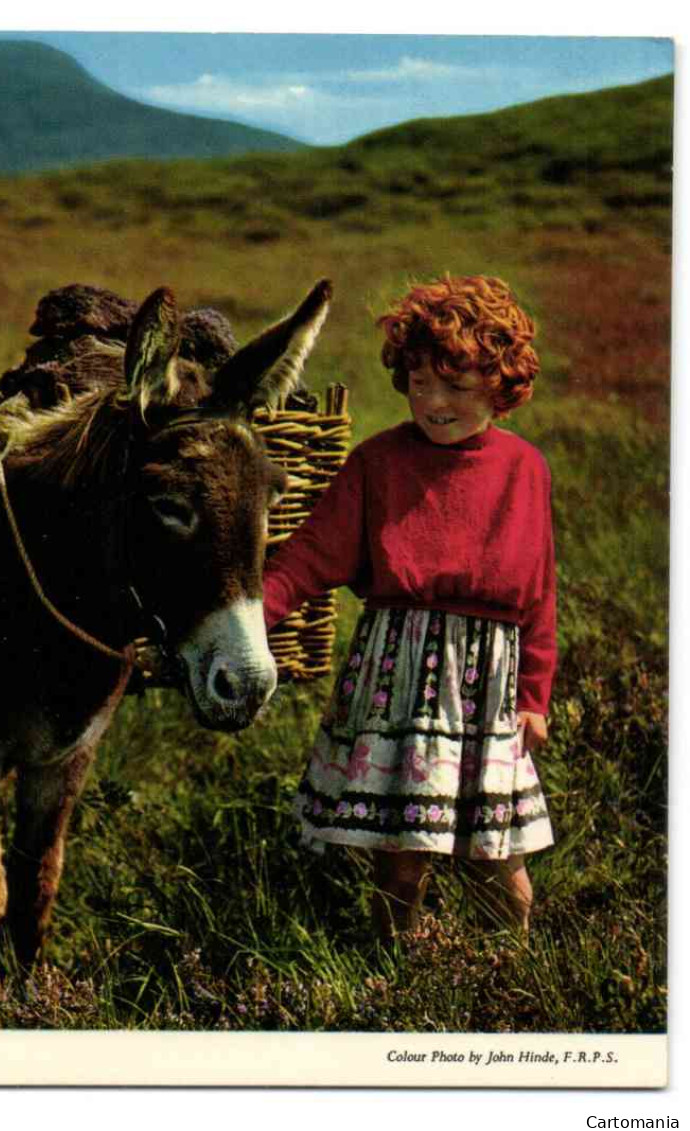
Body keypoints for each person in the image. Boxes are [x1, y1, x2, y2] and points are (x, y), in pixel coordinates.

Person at [264, 274, 556, 941]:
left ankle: (502, 977)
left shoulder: (525, 469)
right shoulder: (377, 463)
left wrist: (535, 693)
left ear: (500, 384)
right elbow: (309, 557)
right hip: (399, 681)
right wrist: (256, 617)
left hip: (487, 692)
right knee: (400, 862)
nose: (433, 401)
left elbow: (540, 594)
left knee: (498, 865)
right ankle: (390, 973)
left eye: (455, 386)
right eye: (420, 381)